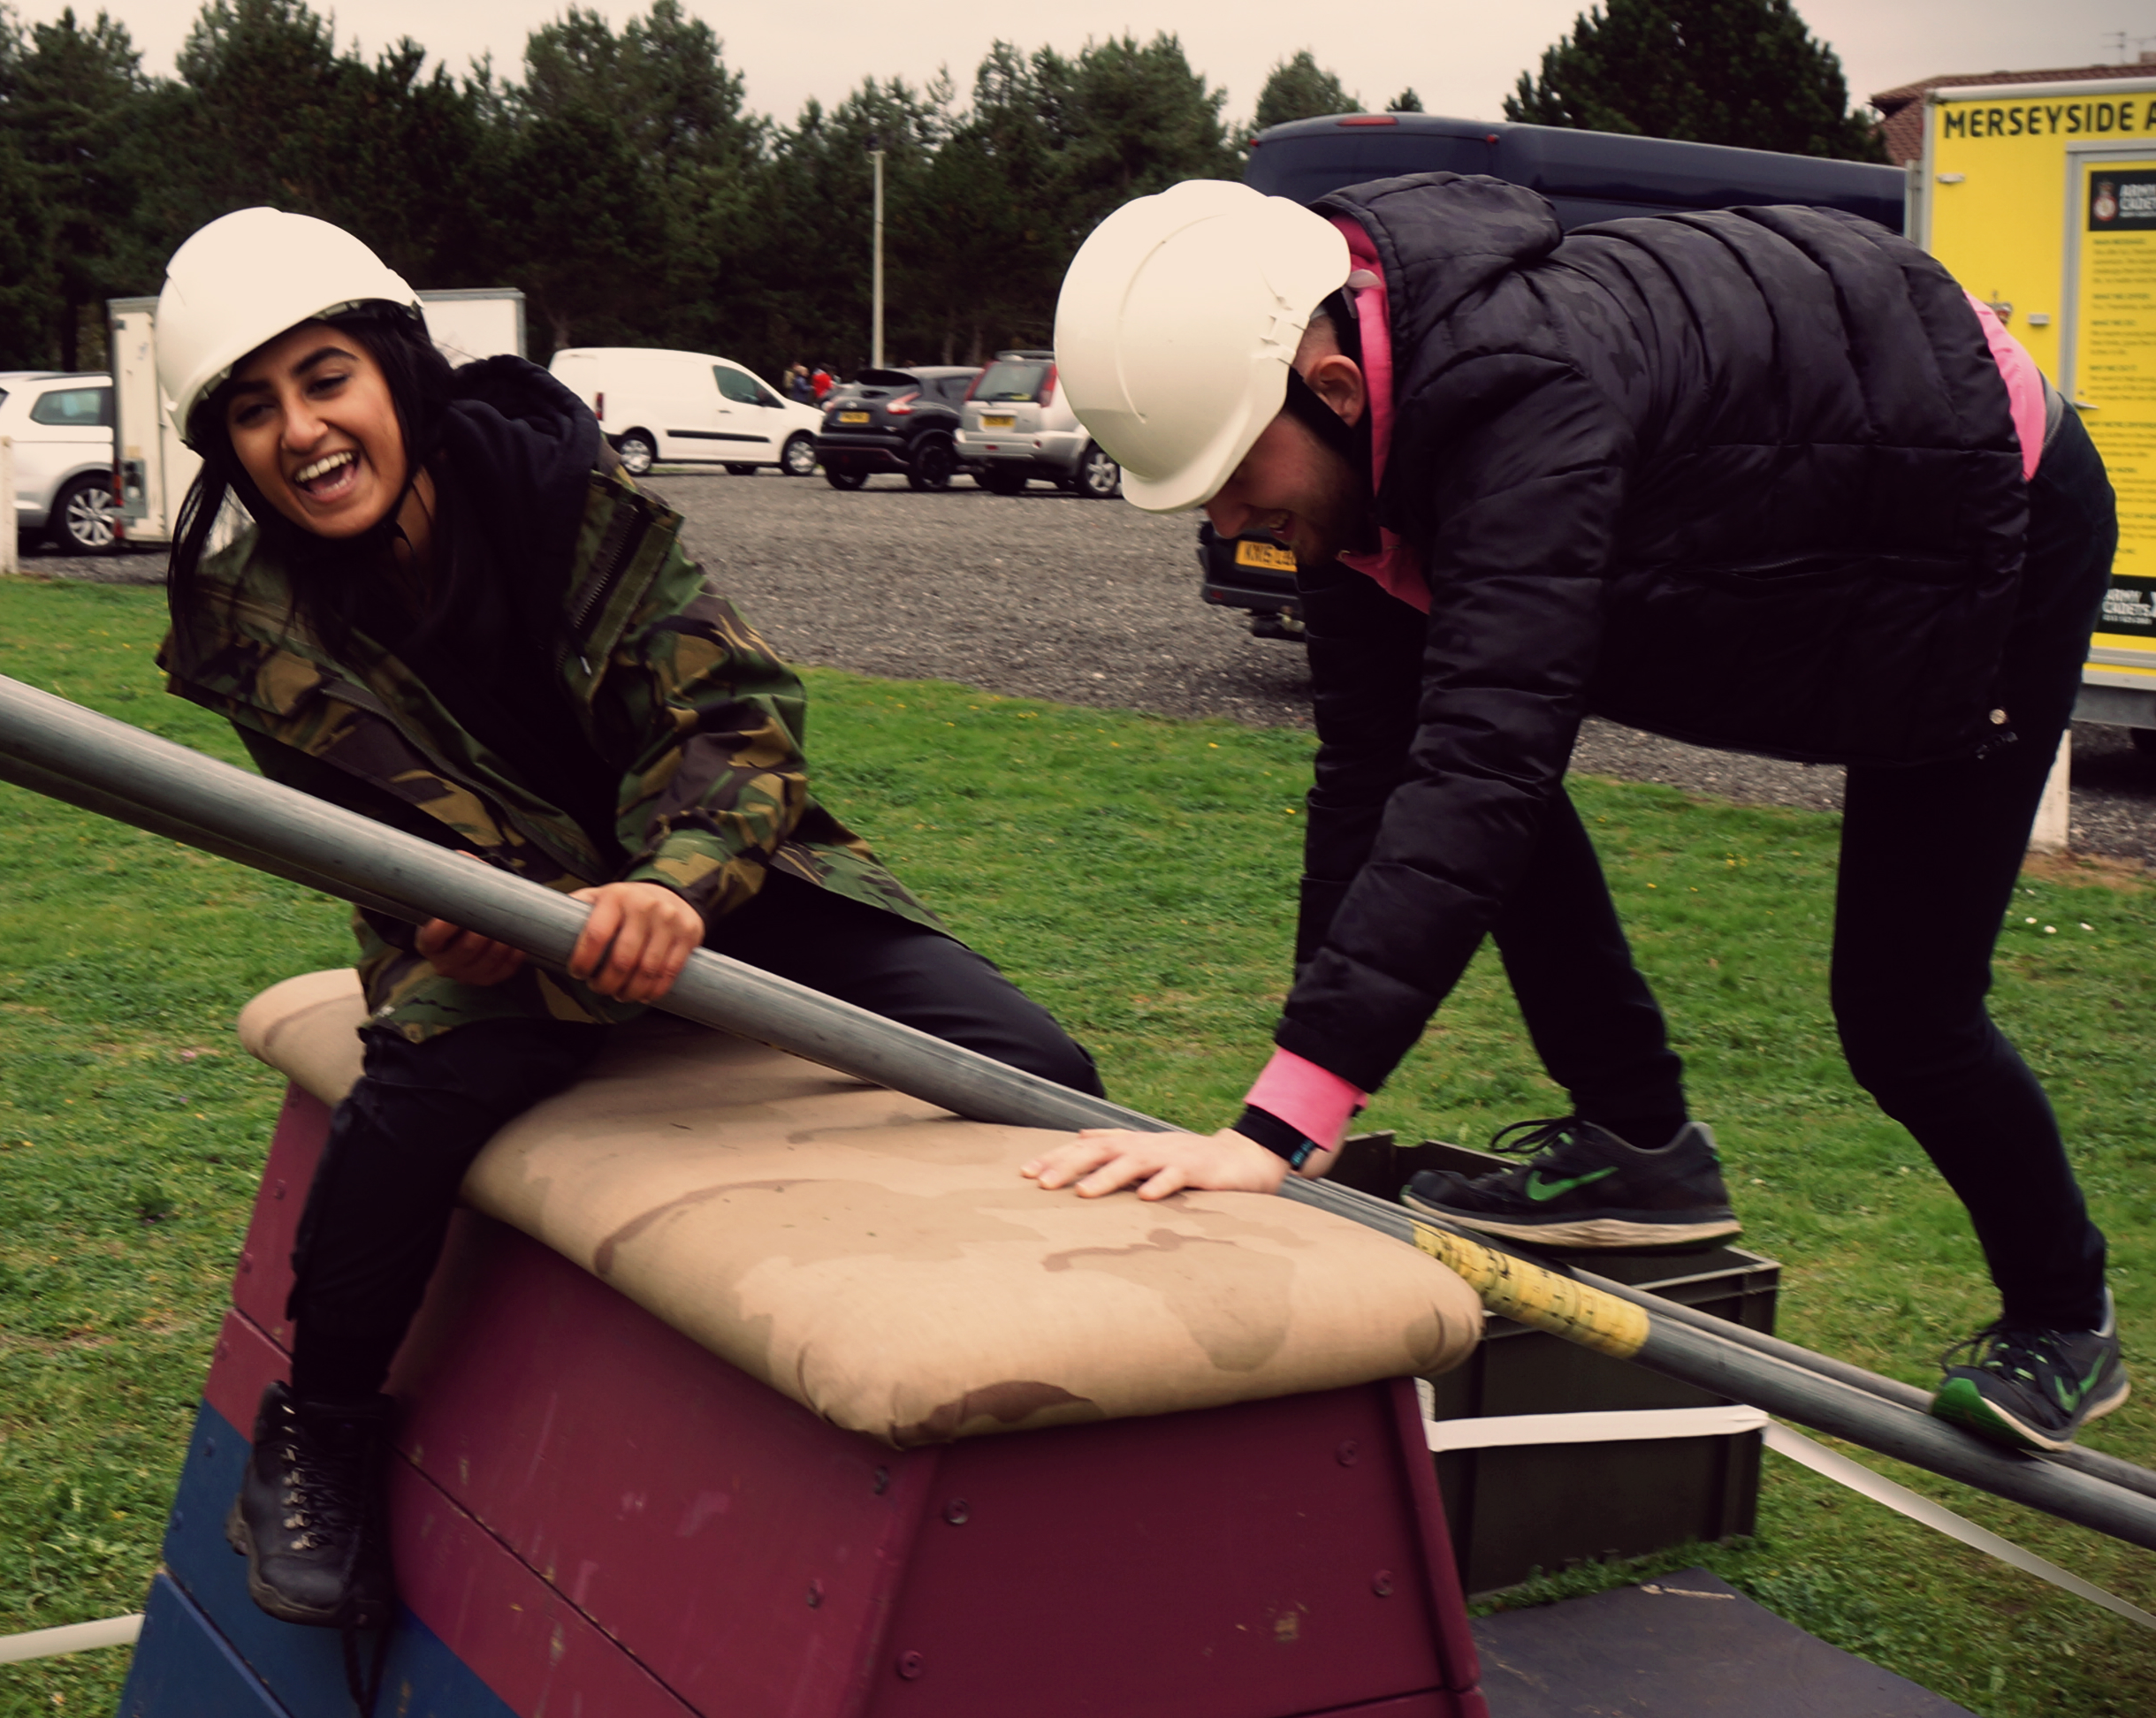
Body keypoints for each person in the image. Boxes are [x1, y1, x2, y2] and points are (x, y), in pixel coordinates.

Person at [1021, 175, 2124, 1458]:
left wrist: (1283, 1122)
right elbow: (1375, 775)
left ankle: (2065, 1315)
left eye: (1228, 474)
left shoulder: (1529, 400)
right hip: (1808, 488)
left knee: (1903, 1012)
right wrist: (1295, 1110)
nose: (1224, 522)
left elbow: (1483, 763)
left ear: (1333, 390)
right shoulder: (1362, 456)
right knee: (1464, 771)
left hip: (1984, 519)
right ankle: (1641, 1145)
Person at [152, 209, 1102, 1631]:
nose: (301, 431)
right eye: (253, 409)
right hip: (502, 919)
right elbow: (371, 832)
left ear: (398, 372)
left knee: (1039, 1070)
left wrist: (671, 883)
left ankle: (1075, 1367)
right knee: (401, 1117)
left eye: (326, 376)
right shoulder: (252, 626)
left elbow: (733, 717)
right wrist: (466, 928)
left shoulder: (568, 496)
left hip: (717, 877)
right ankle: (324, 1421)